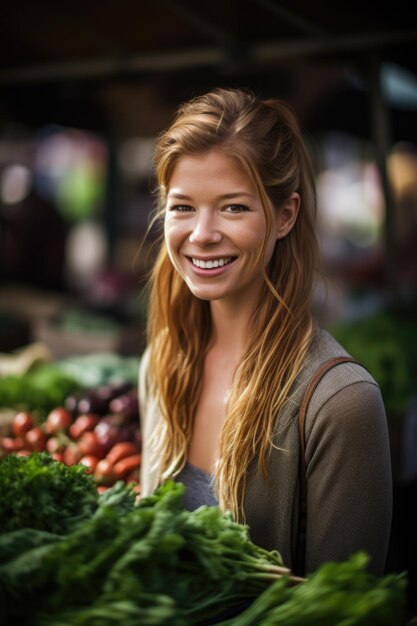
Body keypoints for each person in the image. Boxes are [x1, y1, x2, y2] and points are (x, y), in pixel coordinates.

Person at [138, 87, 392, 577]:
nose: (202, 233)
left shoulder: (341, 403)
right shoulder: (162, 362)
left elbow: (343, 607)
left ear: (285, 215)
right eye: (182, 206)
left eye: (233, 207)